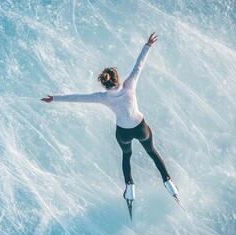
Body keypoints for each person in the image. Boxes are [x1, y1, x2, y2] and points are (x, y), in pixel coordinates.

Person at [41, 32, 178, 202]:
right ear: (117, 78)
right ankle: (169, 182)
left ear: (104, 84)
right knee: (152, 152)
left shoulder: (103, 97)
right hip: (140, 127)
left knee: (126, 156)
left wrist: (54, 98)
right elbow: (139, 65)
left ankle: (129, 188)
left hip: (123, 133)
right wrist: (147, 45)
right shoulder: (129, 85)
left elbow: (78, 98)